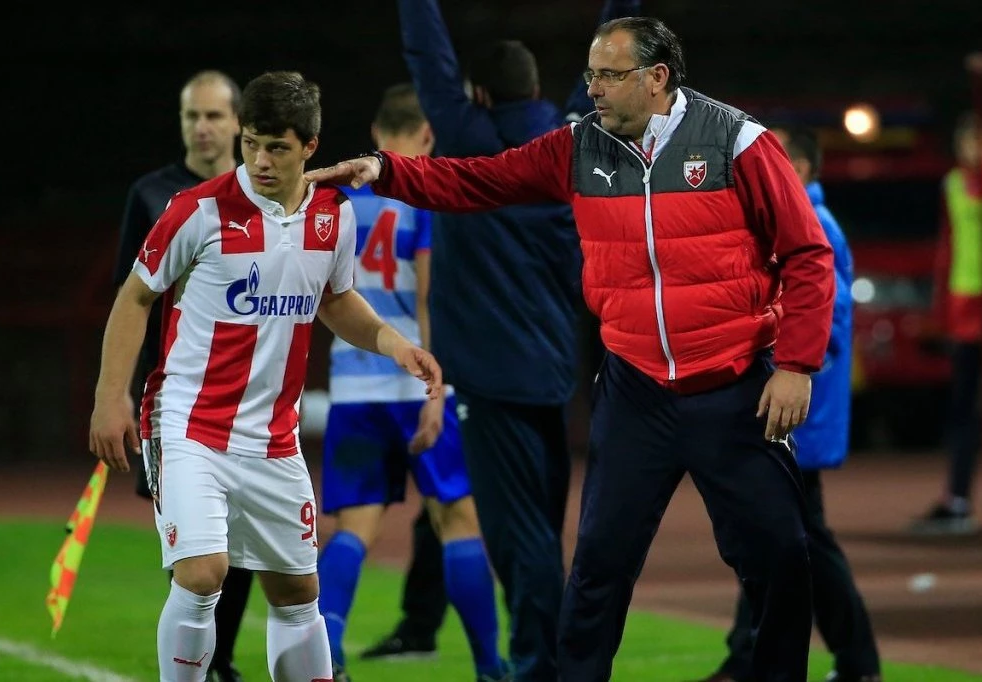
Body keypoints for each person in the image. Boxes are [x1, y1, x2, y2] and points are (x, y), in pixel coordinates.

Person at [307, 16, 836, 682]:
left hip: (733, 386)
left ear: (656, 78)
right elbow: (477, 181)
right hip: (637, 390)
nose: (593, 89)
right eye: (591, 75)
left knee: (779, 554)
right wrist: (384, 171)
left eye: (609, 76)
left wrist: (795, 365)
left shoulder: (738, 141)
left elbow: (808, 254)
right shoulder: (577, 146)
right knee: (597, 569)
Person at [89, 70, 443, 682]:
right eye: (252, 143)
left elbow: (335, 299)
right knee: (203, 573)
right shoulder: (198, 210)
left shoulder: (333, 214)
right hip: (190, 425)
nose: (260, 160)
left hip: (275, 438)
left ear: (310, 146)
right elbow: (135, 296)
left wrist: (394, 343)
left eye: (276, 147)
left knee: (298, 590)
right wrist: (109, 396)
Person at [359, 1, 642, 672]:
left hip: (488, 379)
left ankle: (541, 664)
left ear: (478, 94)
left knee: (520, 540)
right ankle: (556, 657)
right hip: (555, 371)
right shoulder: (572, 136)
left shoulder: (462, 136)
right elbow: (605, 58)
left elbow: (428, 57)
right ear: (537, 88)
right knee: (539, 528)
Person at [316, 83, 509, 682]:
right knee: (458, 518)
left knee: (354, 527)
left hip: (353, 384)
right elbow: (429, 297)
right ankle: (490, 665)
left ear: (377, 134)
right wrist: (437, 388)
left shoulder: (338, 203)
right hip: (416, 379)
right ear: (428, 135)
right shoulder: (422, 196)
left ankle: (329, 656)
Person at [696, 127, 882, 682]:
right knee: (770, 532)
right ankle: (756, 655)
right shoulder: (794, 222)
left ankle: (854, 660)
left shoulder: (814, 226)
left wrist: (783, 368)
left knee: (798, 538)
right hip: (792, 412)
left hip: (799, 415)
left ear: (797, 168)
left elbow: (830, 321)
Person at [112, 69, 251, 682]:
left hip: (249, 400)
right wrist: (117, 393)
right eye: (192, 115)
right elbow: (129, 299)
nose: (202, 127)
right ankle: (202, 662)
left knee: (244, 544)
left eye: (214, 115)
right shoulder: (152, 195)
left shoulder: (261, 192)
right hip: (174, 400)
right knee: (195, 548)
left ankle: (220, 660)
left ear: (238, 122)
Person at [910, 113, 982, 535]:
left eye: (978, 142)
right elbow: (948, 248)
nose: (970, 152)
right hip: (967, 311)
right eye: (964, 144)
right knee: (964, 409)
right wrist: (943, 313)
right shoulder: (953, 185)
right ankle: (957, 501)